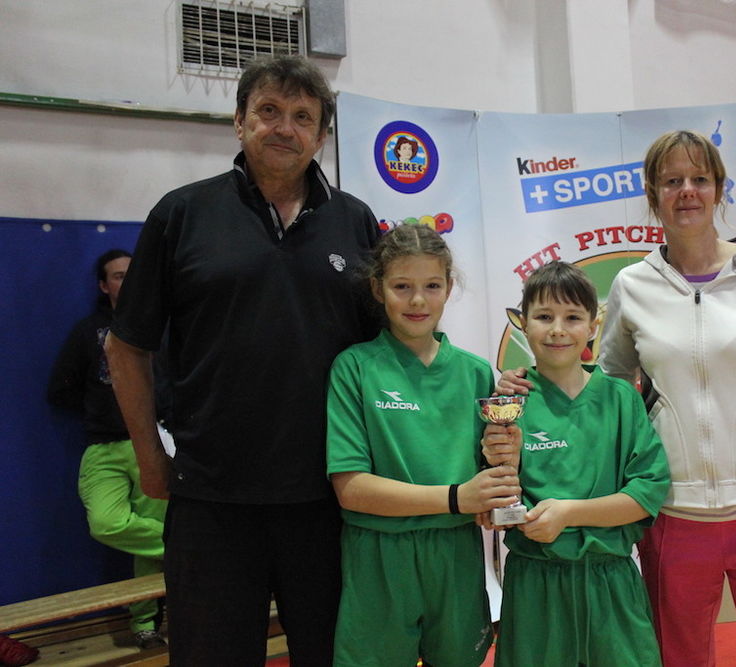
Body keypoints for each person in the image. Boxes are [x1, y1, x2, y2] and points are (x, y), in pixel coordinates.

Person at [501, 130, 736, 667]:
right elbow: (602, 386)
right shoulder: (634, 285)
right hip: (674, 516)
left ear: (719, 189)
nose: (687, 191)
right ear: (652, 193)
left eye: (700, 179)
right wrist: (531, 382)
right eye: (672, 181)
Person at [105, 54, 382, 666]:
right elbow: (125, 346)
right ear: (239, 122)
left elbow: (385, 356)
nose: (284, 128)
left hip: (331, 495)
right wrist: (150, 458)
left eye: (303, 117)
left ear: (321, 136)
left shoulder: (356, 221)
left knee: (336, 658)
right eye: (269, 111)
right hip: (212, 498)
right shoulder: (182, 213)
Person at [326, 224, 519, 667]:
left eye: (431, 286)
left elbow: (487, 478)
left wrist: (502, 473)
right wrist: (457, 498)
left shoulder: (475, 373)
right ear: (377, 288)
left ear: (449, 288)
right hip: (379, 556)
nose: (417, 300)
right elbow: (351, 488)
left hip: (456, 555)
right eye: (402, 286)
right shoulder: (354, 368)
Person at [482, 261, 670, 667]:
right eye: (544, 317)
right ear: (522, 323)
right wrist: (500, 483)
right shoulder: (509, 403)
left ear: (593, 326)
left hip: (611, 580)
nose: (557, 330)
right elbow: (492, 505)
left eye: (572, 317)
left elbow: (647, 492)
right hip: (535, 584)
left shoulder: (620, 399)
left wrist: (568, 513)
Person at [47, 249, 167, 650]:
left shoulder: (163, 326)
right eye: (118, 276)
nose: (127, 282)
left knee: (146, 553)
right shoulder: (88, 332)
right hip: (103, 446)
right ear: (104, 286)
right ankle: (186, 546)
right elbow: (59, 390)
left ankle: (145, 624)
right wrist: (102, 409)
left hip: (154, 441)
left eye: (132, 274)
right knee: (106, 522)